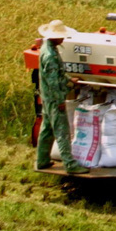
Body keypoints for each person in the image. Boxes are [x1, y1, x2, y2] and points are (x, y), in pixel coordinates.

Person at [35, 19, 89, 174]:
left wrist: (68, 79)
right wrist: (60, 101)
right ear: (55, 37)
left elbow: (57, 73)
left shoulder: (47, 48)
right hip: (53, 98)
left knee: (47, 129)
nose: (63, 39)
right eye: (61, 36)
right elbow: (52, 82)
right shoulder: (50, 55)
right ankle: (70, 165)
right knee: (62, 130)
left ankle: (42, 160)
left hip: (46, 97)